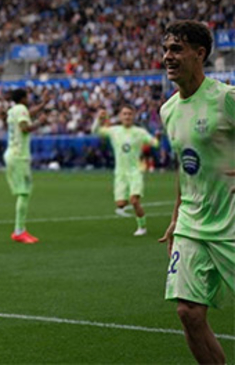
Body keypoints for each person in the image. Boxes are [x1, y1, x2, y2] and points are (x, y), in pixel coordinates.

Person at [157, 20, 234, 364]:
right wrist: (175, 218)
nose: (167, 56)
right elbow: (184, 166)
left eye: (177, 49)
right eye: (165, 49)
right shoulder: (169, 110)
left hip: (230, 222)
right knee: (188, 312)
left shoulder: (226, 99)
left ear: (200, 54)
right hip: (191, 223)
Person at [92, 105, 160, 236]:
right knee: (121, 204)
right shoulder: (114, 130)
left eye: (129, 114)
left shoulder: (140, 132)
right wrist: (98, 119)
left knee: (134, 201)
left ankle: (142, 227)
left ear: (133, 116)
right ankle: (126, 198)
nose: (127, 116)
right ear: (120, 117)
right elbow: (95, 131)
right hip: (120, 173)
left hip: (135, 171)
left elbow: (155, 143)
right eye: (124, 114)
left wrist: (157, 137)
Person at [3, 88, 48, 244]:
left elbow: (28, 113)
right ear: (23, 98)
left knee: (24, 193)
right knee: (24, 193)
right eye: (27, 97)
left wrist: (43, 104)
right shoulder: (21, 109)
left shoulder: (13, 110)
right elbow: (24, 127)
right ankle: (19, 231)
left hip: (11, 153)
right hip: (19, 156)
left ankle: (20, 230)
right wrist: (40, 123)